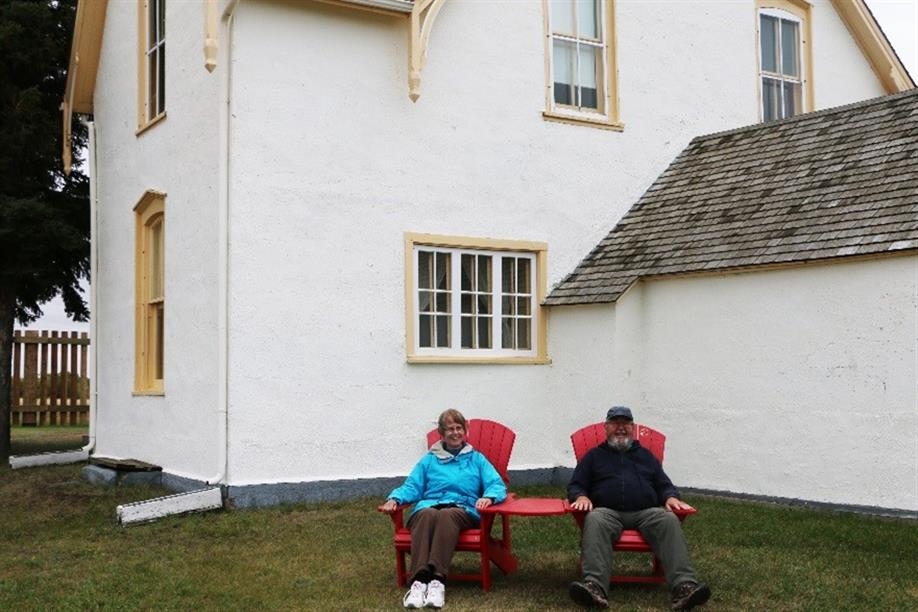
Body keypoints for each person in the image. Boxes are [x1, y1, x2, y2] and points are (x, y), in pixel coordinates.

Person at [567, 406, 711, 611]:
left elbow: (663, 484)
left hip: (646, 513)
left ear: (632, 428)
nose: (621, 428)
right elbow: (576, 484)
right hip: (606, 512)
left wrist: (670, 497)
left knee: (668, 520)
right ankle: (594, 588)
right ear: (606, 427)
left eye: (625, 424)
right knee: (595, 519)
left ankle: (684, 586)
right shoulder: (593, 457)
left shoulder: (646, 456)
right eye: (616, 423)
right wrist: (580, 495)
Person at [379, 409, 508, 609]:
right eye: (450, 429)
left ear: (465, 431)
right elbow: (413, 486)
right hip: (429, 506)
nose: (455, 433)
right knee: (427, 513)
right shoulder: (429, 460)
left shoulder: (476, 459)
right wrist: (395, 498)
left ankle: (437, 581)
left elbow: (496, 484)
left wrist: (489, 497)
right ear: (441, 433)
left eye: (459, 428)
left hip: (462, 509)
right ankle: (419, 582)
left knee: (446, 515)